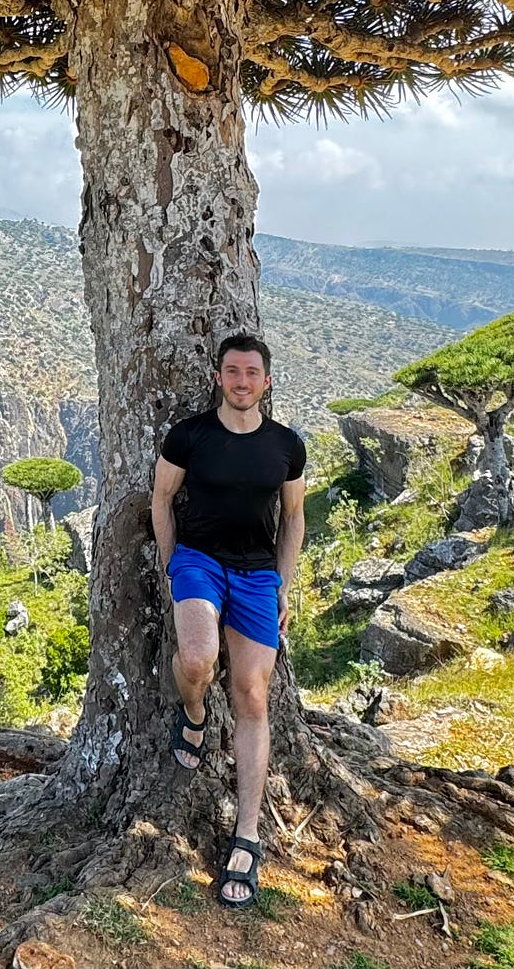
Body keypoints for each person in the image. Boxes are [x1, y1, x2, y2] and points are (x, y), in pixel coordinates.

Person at [151, 331, 307, 909]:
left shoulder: (287, 446)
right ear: (218, 376)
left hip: (257, 574)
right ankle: (192, 712)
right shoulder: (189, 436)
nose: (242, 382)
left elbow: (294, 518)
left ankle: (247, 836)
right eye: (232, 371)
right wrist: (174, 566)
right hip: (197, 562)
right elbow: (161, 500)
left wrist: (283, 583)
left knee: (253, 695)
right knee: (196, 659)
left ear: (266, 381)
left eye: (252, 373)